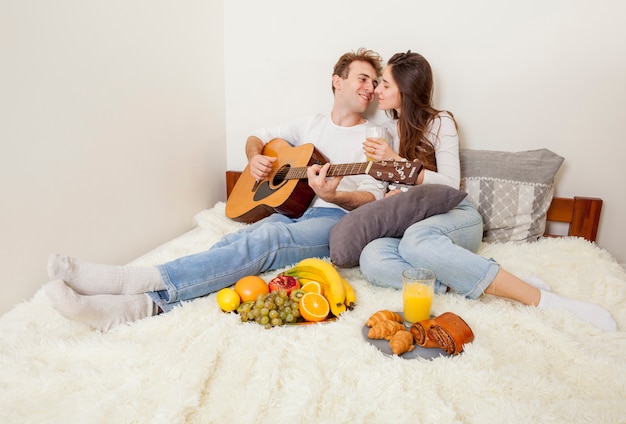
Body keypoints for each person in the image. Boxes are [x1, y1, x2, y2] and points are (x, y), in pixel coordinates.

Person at [44, 48, 392, 331]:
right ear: (337, 81)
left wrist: (334, 195)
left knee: (266, 242)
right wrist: (255, 158)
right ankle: (141, 306)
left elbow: (375, 196)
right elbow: (258, 137)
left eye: (375, 82)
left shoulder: (375, 136)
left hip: (335, 219)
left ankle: (130, 280)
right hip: (292, 209)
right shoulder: (308, 124)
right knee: (233, 244)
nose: (370, 87)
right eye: (363, 78)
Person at [359, 51, 617, 332]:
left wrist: (397, 161)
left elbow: (448, 184)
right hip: (408, 221)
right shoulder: (381, 131)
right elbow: (379, 186)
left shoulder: (439, 123)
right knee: (371, 256)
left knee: (415, 242)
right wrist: (386, 198)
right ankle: (473, 281)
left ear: (406, 90)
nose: (377, 90)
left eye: (385, 84)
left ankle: (543, 300)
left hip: (454, 216)